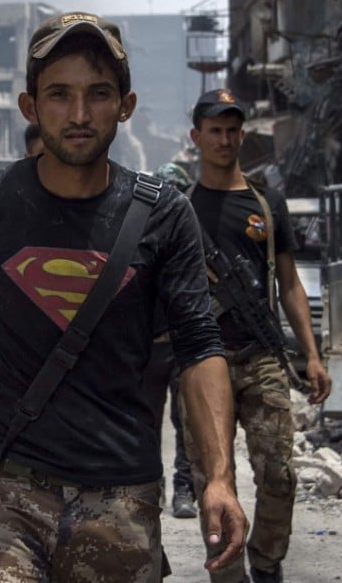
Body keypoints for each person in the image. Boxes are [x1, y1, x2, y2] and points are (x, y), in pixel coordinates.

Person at [0, 11, 248, 581]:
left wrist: (219, 478)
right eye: (59, 94)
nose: (79, 114)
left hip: (121, 494)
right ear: (30, 106)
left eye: (98, 94)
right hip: (6, 487)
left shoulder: (164, 213)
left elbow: (199, 348)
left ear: (126, 105)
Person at [183, 89, 333, 583]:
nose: (225, 140)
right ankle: (228, 575)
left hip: (262, 355)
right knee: (211, 480)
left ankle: (267, 563)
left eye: (232, 131)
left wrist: (311, 354)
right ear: (197, 137)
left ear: (242, 135)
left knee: (278, 473)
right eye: (215, 131)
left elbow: (288, 283)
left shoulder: (266, 204)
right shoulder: (181, 210)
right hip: (203, 360)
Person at [143, 162, 197, 519]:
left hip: (180, 346)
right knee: (145, 423)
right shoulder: (139, 236)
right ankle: (152, 486)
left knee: (187, 422)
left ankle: (184, 489)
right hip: (147, 347)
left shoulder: (190, 238)